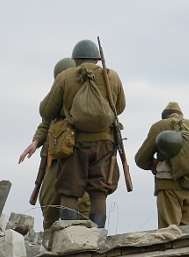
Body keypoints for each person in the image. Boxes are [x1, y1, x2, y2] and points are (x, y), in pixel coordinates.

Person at [39, 39, 126, 228]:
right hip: (105, 143)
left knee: (69, 191)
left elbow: (46, 111)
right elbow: (119, 107)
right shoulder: (112, 77)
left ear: (76, 59)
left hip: (73, 144)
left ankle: (69, 235)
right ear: (97, 59)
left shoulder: (65, 76)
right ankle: (97, 235)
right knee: (99, 192)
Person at [19, 57, 91, 230]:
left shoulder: (86, 99)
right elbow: (46, 122)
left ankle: (82, 235)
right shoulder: (55, 98)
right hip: (54, 155)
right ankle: (50, 237)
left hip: (77, 154)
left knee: (81, 201)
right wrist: (36, 142)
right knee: (49, 201)